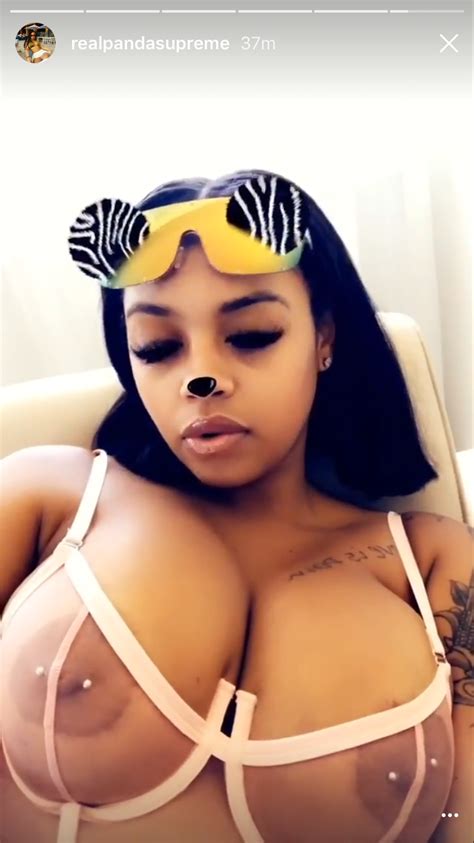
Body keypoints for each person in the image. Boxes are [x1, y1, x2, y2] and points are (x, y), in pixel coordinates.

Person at [1, 169, 472, 843]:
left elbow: (462, 819)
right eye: (158, 347)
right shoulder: (49, 496)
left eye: (250, 334)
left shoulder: (433, 561)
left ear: (325, 338)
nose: (201, 377)